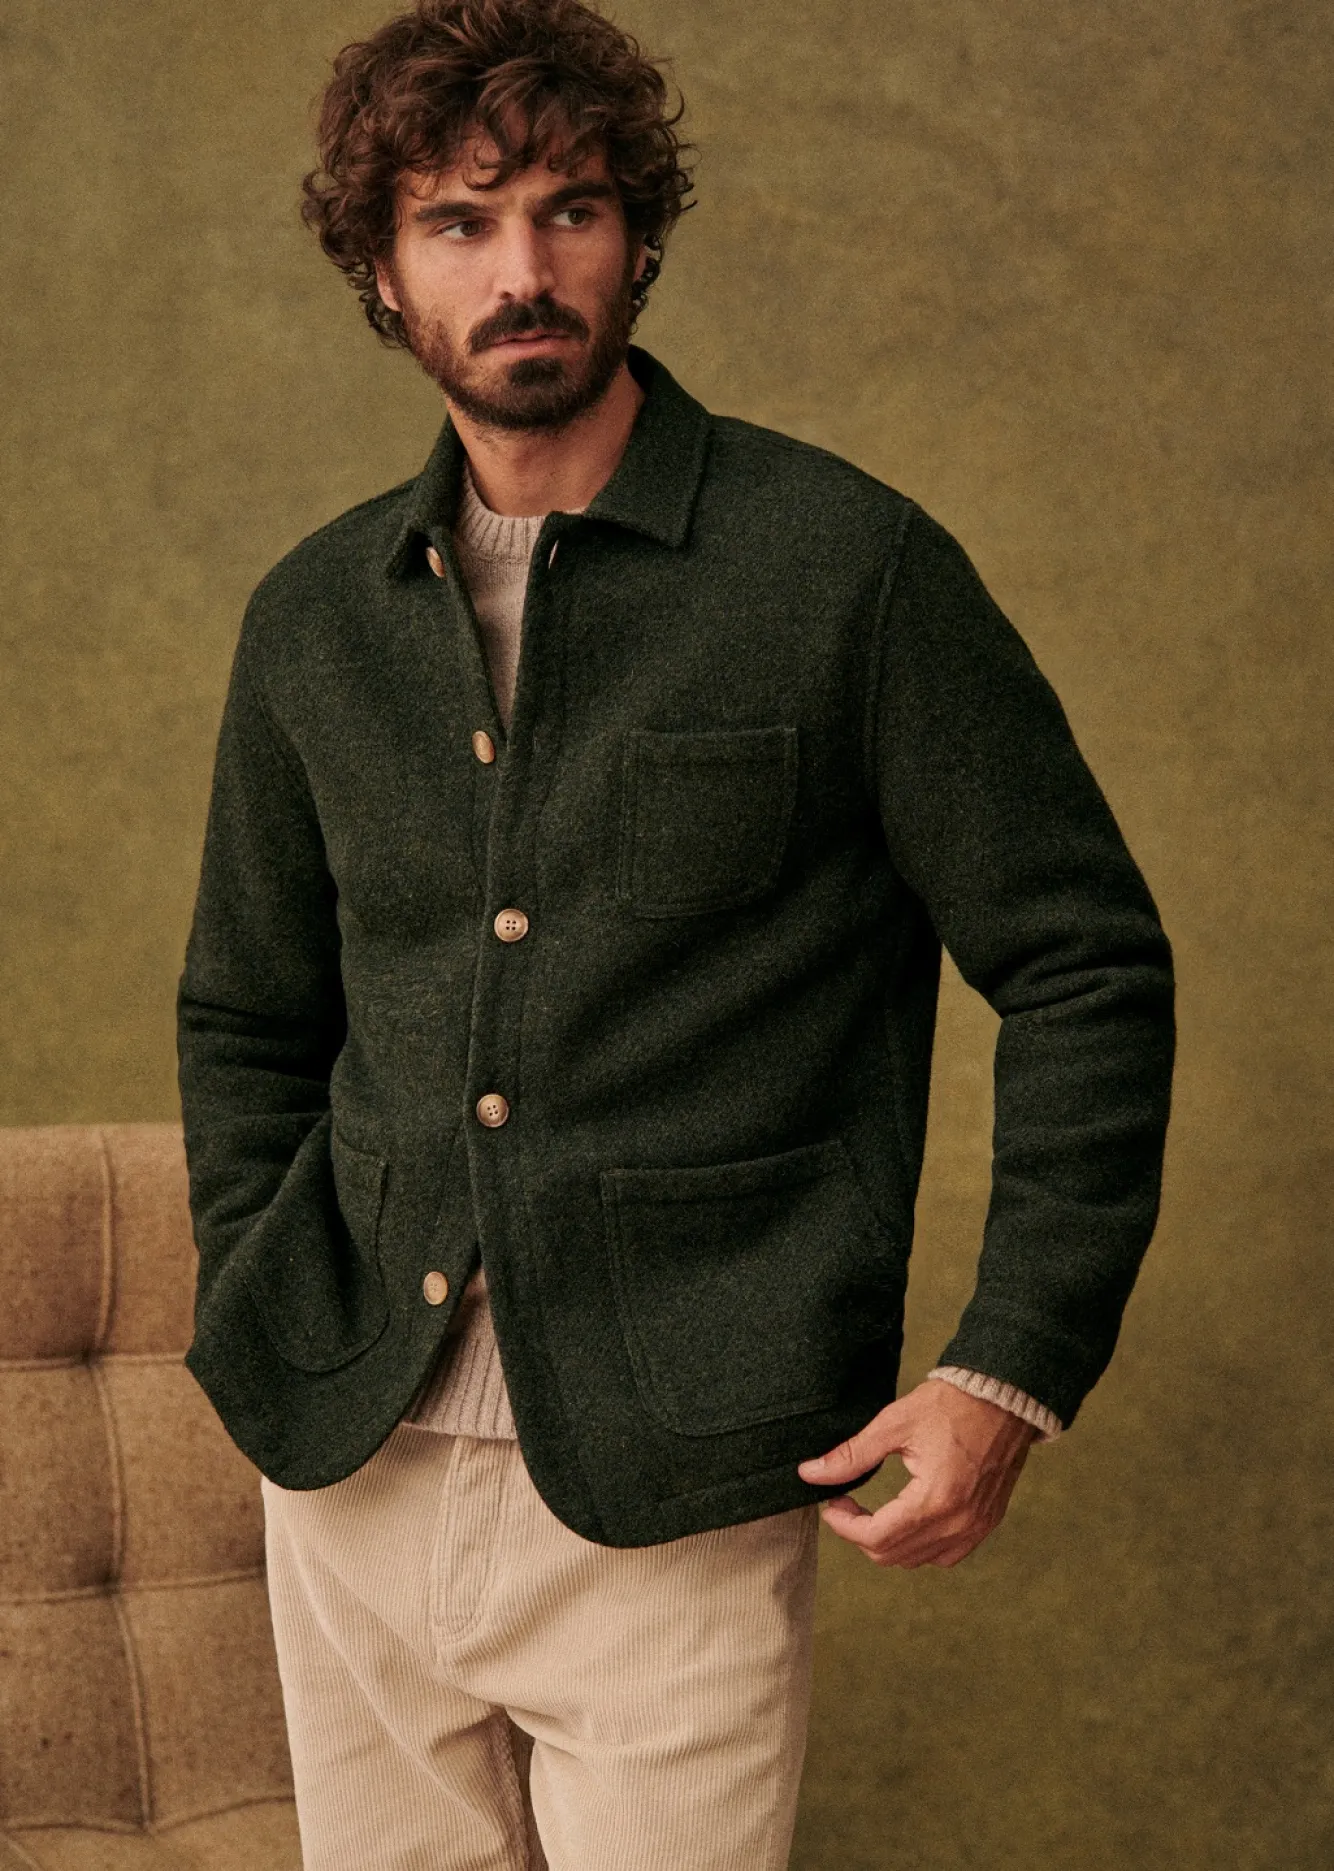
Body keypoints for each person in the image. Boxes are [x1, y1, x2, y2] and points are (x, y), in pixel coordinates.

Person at [175, 2, 1175, 1866]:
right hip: (348, 1456)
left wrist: (1008, 1364)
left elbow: (1083, 964)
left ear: (636, 239)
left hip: (683, 1473)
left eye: (568, 209)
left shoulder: (845, 569)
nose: (522, 270)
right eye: (457, 223)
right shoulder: (312, 617)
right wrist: (260, 1274)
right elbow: (246, 1012)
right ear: (381, 274)